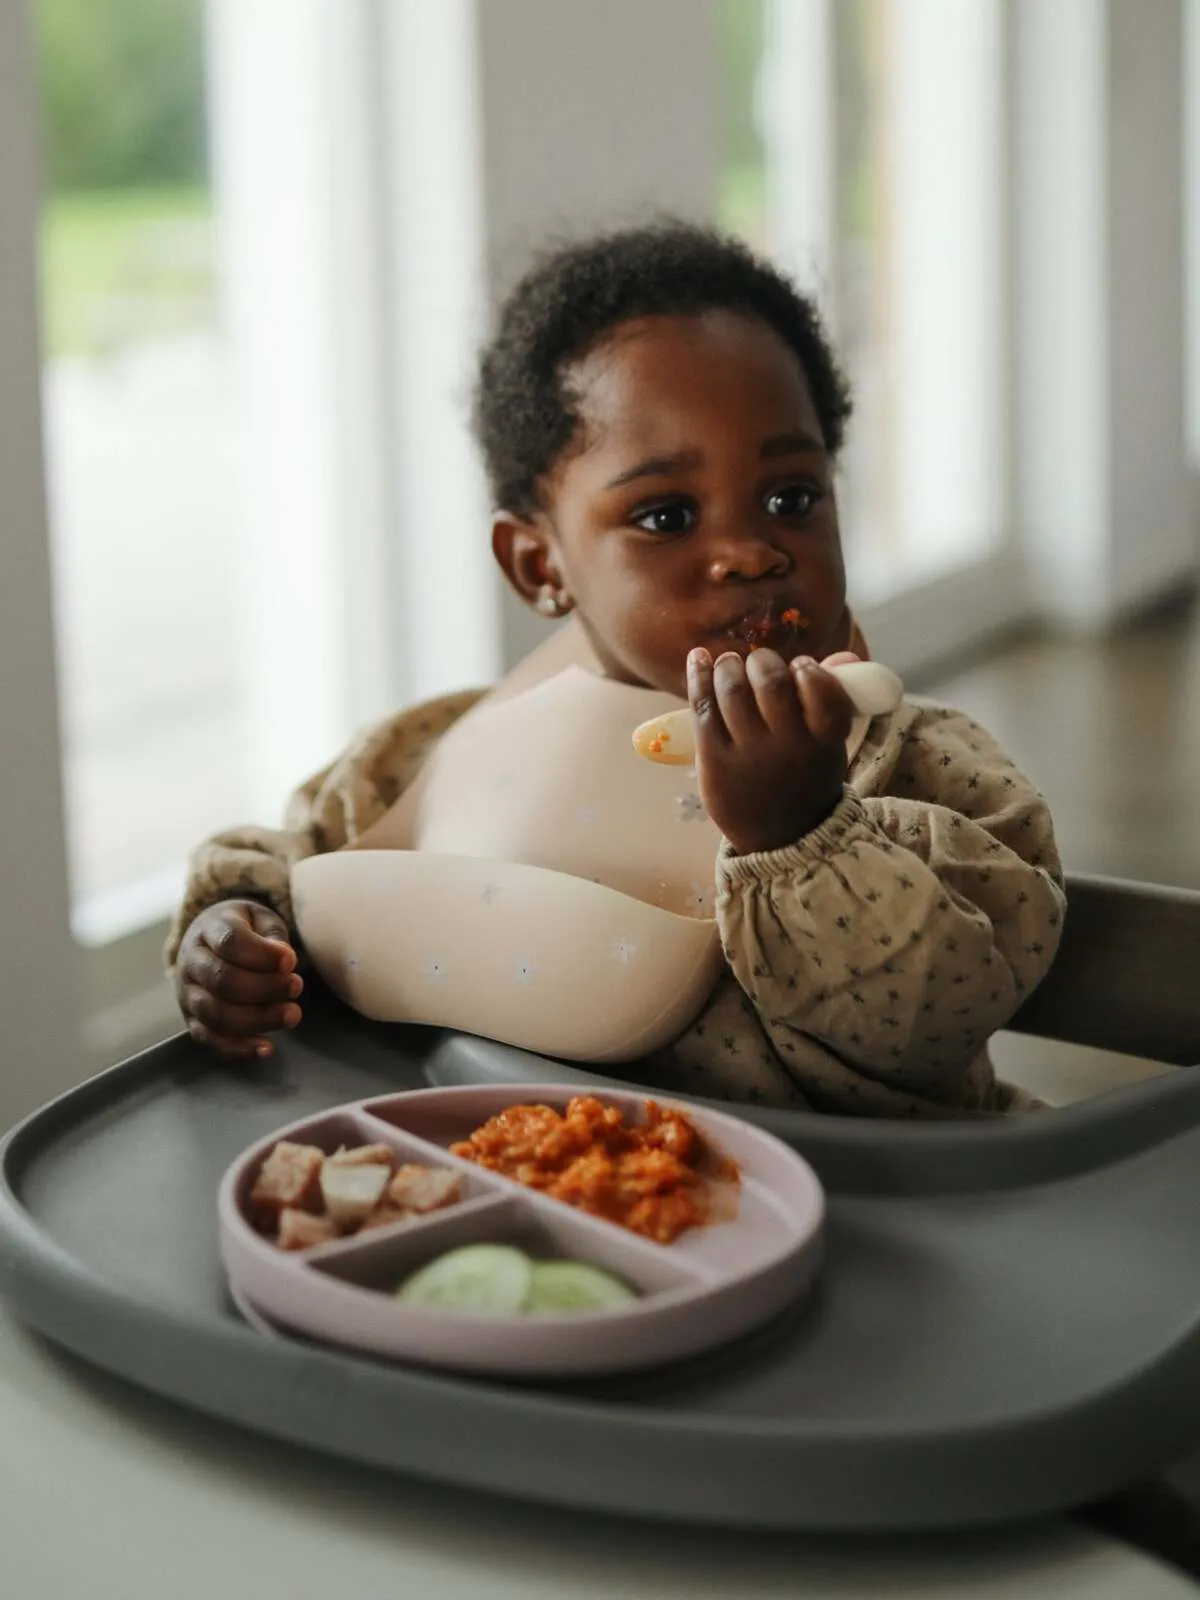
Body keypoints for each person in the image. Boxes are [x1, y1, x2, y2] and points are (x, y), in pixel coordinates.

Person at [168, 222, 1064, 1117]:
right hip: (538, 1201)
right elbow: (292, 873)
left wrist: (802, 832)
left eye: (792, 498)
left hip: (878, 1213)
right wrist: (237, 937)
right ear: (538, 565)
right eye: (669, 516)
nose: (750, 552)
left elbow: (937, 1019)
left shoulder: (929, 767)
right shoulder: (426, 759)